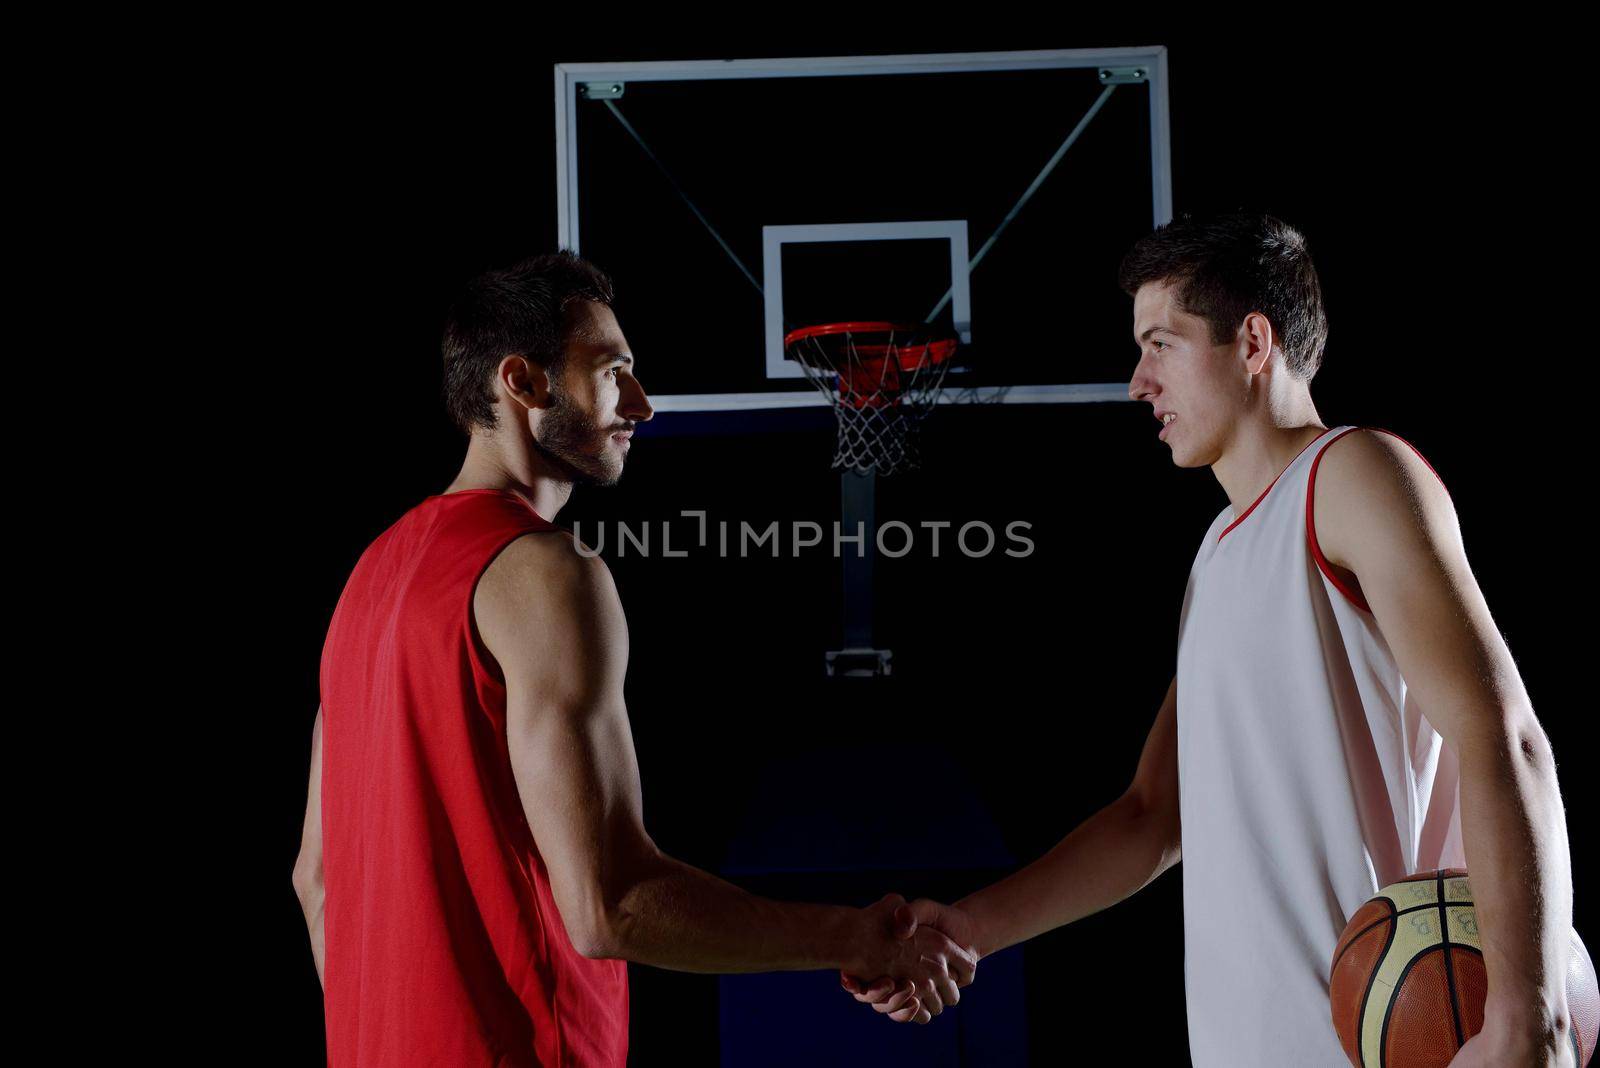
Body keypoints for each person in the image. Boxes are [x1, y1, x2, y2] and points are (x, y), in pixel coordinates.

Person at [843, 213, 1577, 1065]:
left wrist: (1530, 1018)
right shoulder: (1220, 553)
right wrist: (971, 927)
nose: (1136, 382)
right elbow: (1153, 818)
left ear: (1253, 342)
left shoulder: (1352, 475)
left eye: (1161, 344)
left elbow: (1505, 735)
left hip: (1385, 1039)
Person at [292, 251, 975, 1067]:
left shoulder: (367, 579)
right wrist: (856, 939)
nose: (643, 406)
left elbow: (318, 882)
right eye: (615, 373)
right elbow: (610, 904)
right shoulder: (545, 573)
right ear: (526, 382)